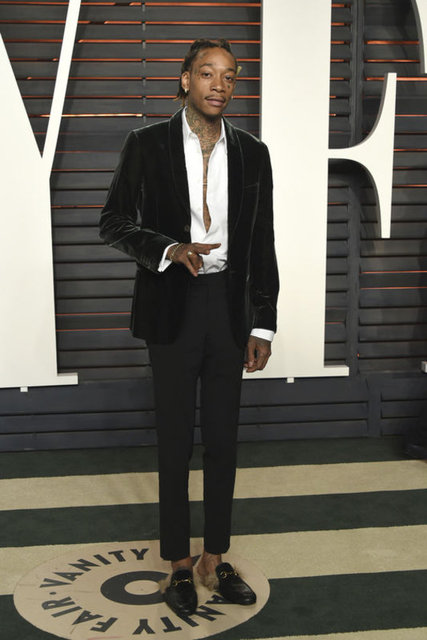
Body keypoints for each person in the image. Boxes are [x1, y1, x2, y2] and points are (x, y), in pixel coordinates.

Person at [99, 38, 279, 617]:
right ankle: (178, 563)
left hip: (229, 309)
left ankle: (213, 558)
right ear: (185, 79)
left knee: (223, 442)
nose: (219, 84)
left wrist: (264, 324)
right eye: (207, 73)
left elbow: (262, 242)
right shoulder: (146, 143)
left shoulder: (253, 152)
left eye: (229, 75)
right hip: (172, 305)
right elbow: (112, 221)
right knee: (176, 443)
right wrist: (169, 248)